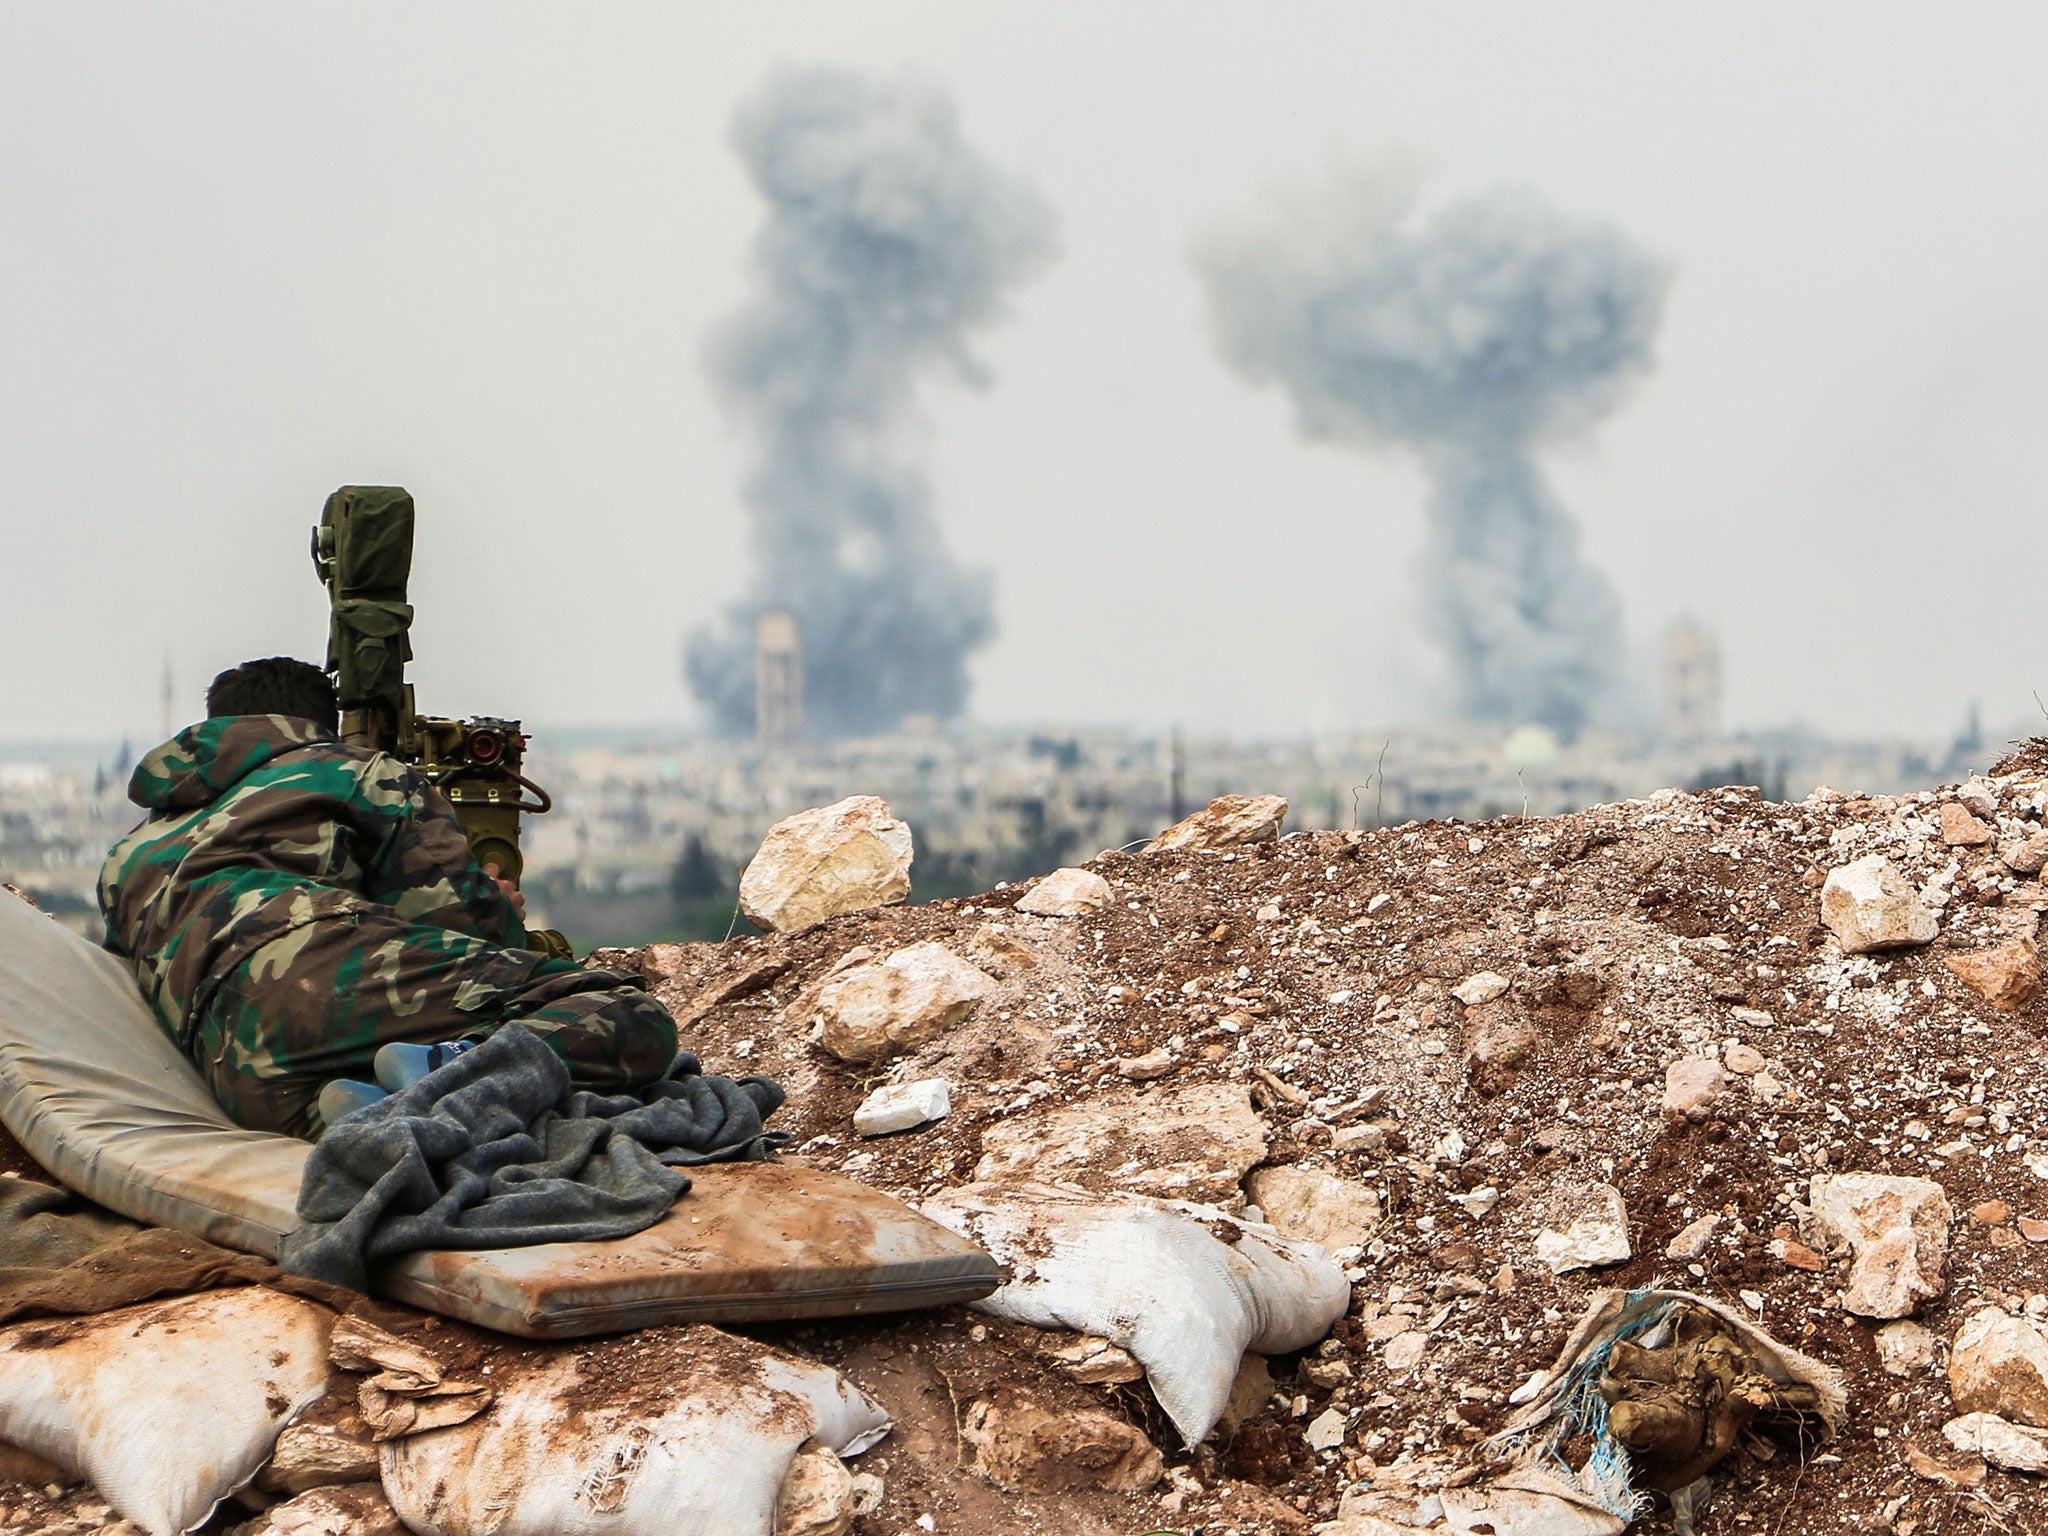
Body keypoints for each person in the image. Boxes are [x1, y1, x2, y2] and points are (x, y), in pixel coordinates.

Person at [97, 656, 679, 1138]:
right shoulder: (350, 770)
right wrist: (502, 907)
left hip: (241, 1077)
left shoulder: (131, 853)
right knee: (631, 1017)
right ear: (318, 724)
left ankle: (394, 1100)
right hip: (321, 978)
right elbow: (470, 925)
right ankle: (450, 1069)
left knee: (368, 1127)